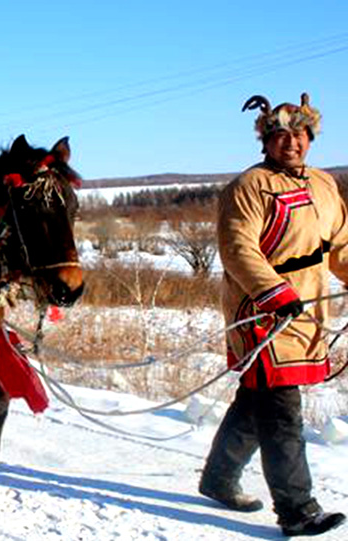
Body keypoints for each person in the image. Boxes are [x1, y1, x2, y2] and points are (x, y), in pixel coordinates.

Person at [199, 93, 346, 537]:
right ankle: (297, 509)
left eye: (299, 133)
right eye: (280, 134)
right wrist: (274, 292)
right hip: (261, 311)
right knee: (281, 409)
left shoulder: (323, 184)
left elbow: (341, 244)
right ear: (264, 140)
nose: (291, 142)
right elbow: (237, 249)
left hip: (307, 309)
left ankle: (218, 478)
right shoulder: (247, 187)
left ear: (311, 137)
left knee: (257, 399)